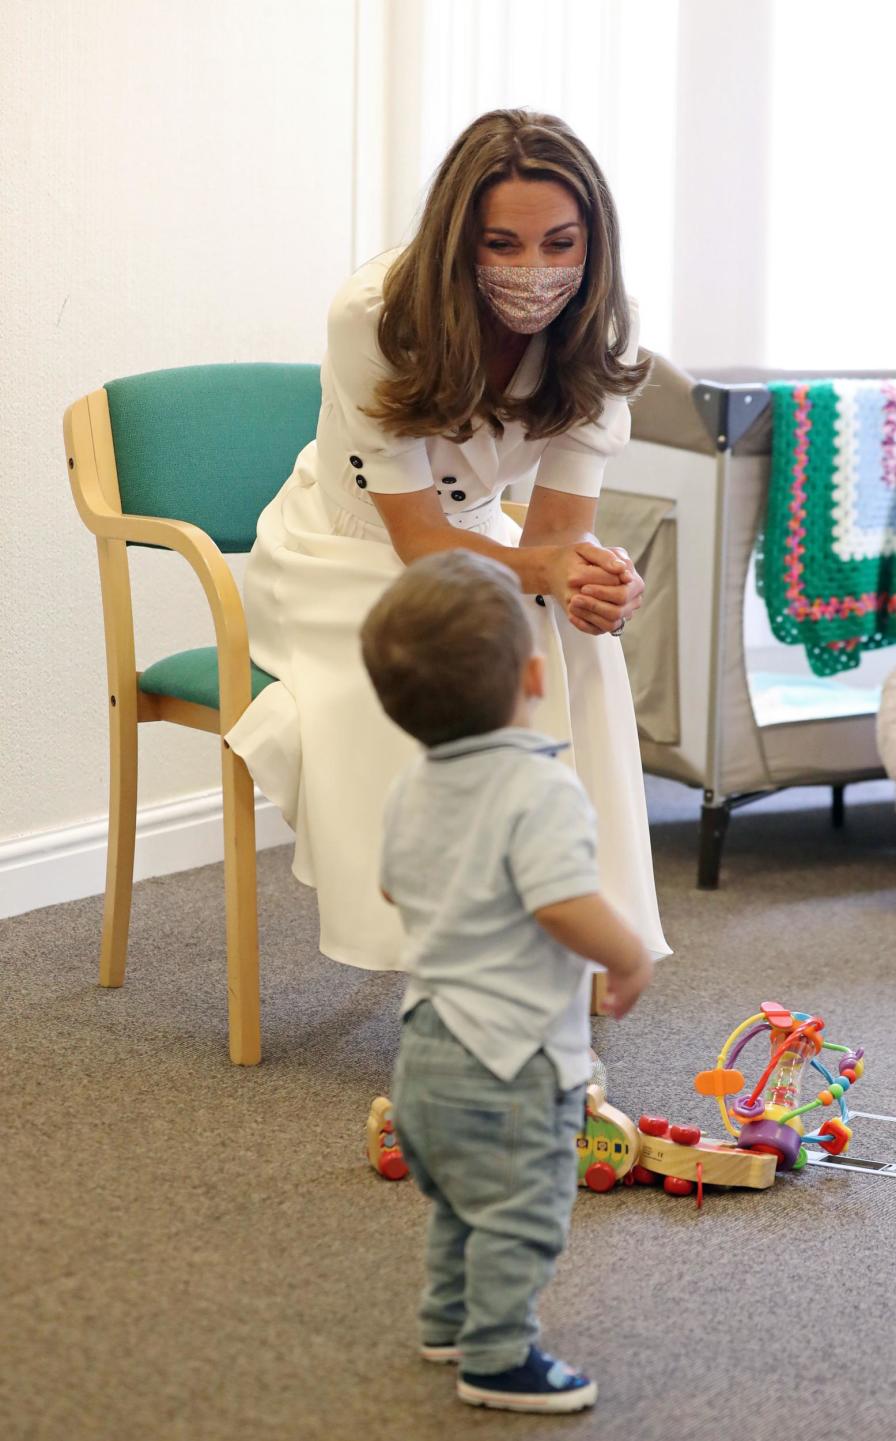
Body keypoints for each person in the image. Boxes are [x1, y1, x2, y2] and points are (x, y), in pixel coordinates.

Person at [225, 108, 669, 972]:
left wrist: (596, 587)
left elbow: (555, 541)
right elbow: (419, 538)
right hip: (345, 545)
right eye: (502, 244)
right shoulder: (378, 315)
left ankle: (580, 928)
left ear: (594, 242)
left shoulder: (600, 332)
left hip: (478, 535)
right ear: (456, 240)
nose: (535, 271)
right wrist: (543, 568)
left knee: (576, 643)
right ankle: (453, 957)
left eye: (559, 243)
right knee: (442, 662)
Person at [360, 549, 653, 1413]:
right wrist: (628, 953)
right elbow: (565, 902)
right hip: (511, 1057)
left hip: (423, 1045)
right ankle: (496, 1356)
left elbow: (389, 884)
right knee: (521, 1209)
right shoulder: (540, 787)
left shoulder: (411, 783)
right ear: (534, 674)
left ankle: (447, 1317)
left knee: (459, 1196)